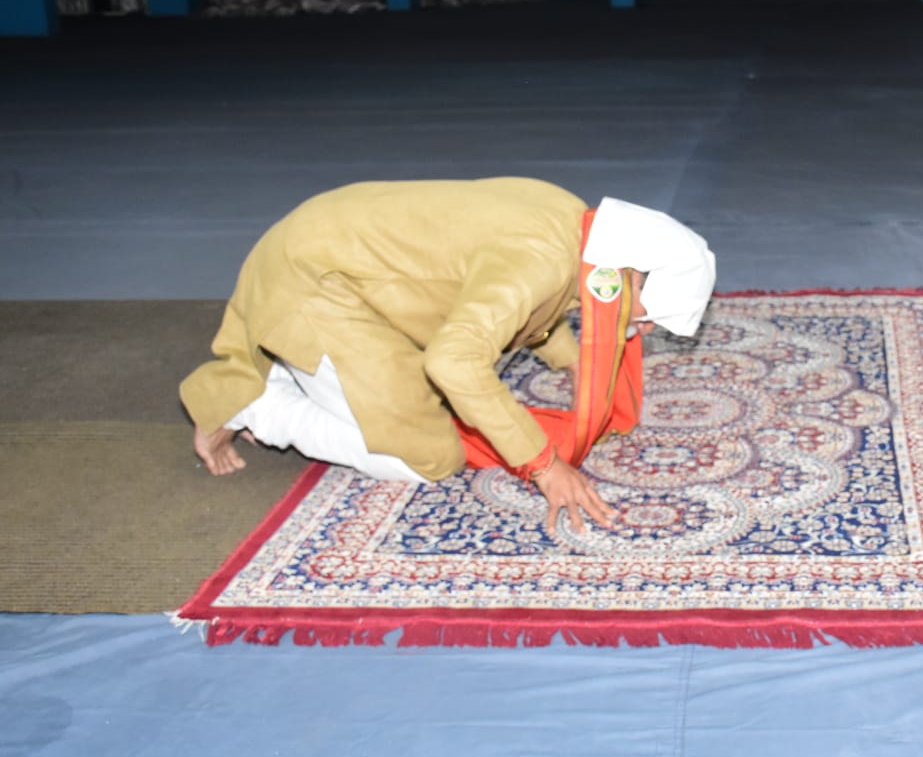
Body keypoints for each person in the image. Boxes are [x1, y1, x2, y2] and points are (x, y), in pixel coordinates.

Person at [180, 177, 716, 534]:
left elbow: (530, 299)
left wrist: (570, 359)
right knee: (425, 455)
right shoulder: (539, 259)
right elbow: (453, 361)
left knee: (460, 378)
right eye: (646, 315)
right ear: (629, 271)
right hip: (314, 284)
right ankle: (259, 406)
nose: (637, 329)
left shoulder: (572, 222)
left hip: (339, 259)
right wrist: (544, 465)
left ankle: (299, 370)